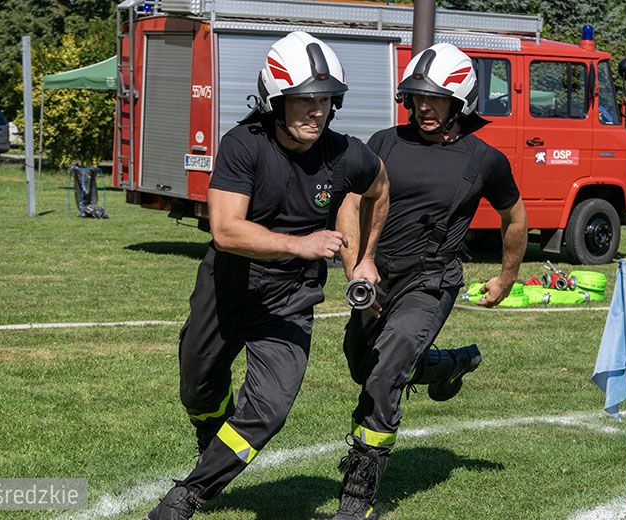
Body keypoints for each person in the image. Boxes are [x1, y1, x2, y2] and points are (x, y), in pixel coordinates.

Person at [145, 32, 389, 520]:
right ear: (276, 100)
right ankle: (210, 439)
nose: (316, 111)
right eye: (304, 100)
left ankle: (188, 495)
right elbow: (226, 230)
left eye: (325, 100)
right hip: (228, 285)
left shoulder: (347, 154)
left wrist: (364, 258)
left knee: (269, 408)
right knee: (198, 388)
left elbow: (378, 189)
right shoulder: (242, 145)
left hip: (290, 300)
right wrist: (300, 244)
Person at [334, 43, 527, 519]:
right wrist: (357, 264)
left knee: (384, 374)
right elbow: (348, 203)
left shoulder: (485, 160)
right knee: (362, 365)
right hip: (376, 275)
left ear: (459, 101)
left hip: (431, 281)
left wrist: (506, 278)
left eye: (436, 98)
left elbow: (515, 218)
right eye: (417, 96)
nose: (424, 106)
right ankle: (445, 366)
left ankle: (358, 495)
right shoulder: (382, 143)